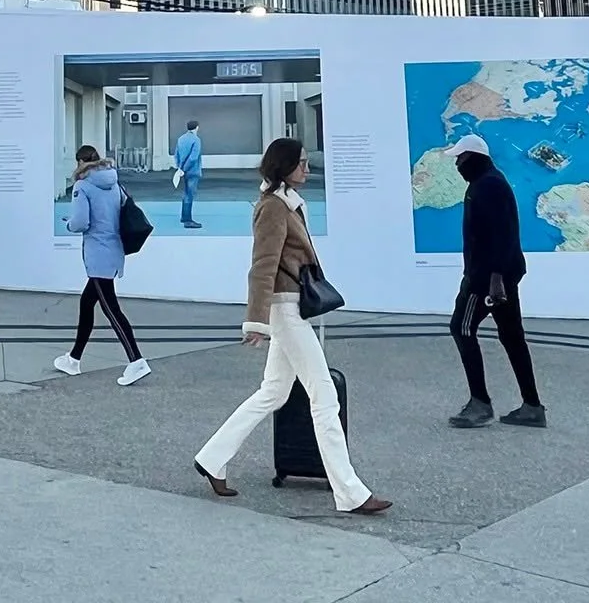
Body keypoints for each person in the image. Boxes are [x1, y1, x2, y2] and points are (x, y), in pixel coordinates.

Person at [193, 139, 390, 516]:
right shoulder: (272, 208)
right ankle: (350, 492)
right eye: (301, 163)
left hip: (291, 307)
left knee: (273, 392)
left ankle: (212, 458)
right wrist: (256, 321)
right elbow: (262, 267)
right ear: (283, 166)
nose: (307, 169)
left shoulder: (287, 204)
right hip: (284, 310)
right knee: (324, 394)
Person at [447, 134, 545, 429]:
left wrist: (489, 279)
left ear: (472, 157)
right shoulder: (490, 181)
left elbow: (498, 236)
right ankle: (532, 406)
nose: (456, 164)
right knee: (512, 337)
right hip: (501, 275)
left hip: (486, 279)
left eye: (459, 158)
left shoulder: (486, 186)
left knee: (461, 328)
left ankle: (480, 403)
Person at [54, 146, 150, 385]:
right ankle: (73, 359)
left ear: (80, 162)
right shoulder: (114, 183)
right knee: (87, 304)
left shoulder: (82, 186)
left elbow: (80, 222)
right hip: (114, 250)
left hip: (98, 254)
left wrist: (68, 224)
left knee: (111, 310)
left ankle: (136, 361)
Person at [173, 121, 204, 229]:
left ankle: (184, 216)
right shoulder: (196, 140)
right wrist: (185, 169)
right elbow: (193, 157)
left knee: (185, 193)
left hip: (182, 171)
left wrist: (180, 168)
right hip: (193, 171)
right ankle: (188, 220)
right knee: (190, 195)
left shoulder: (181, 139)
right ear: (196, 128)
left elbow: (176, 154)